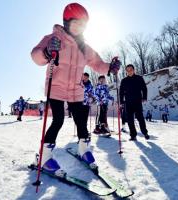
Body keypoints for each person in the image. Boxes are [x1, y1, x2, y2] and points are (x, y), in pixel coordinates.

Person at [31, 3, 120, 175]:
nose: (79, 28)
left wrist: (110, 68)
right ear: (66, 22)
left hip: (75, 90)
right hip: (56, 87)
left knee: (81, 120)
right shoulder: (54, 38)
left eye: (83, 25)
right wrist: (48, 52)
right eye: (76, 23)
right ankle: (44, 156)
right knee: (58, 120)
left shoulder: (84, 47)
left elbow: (98, 64)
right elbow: (36, 55)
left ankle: (84, 150)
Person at [120, 64, 149, 141]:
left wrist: (144, 97)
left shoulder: (139, 78)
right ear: (126, 71)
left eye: (131, 70)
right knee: (130, 120)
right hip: (128, 103)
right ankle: (133, 135)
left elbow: (144, 88)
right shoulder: (124, 80)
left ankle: (145, 132)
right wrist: (121, 101)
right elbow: (121, 92)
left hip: (137, 101)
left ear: (134, 70)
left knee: (140, 118)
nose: (129, 71)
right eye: (127, 70)